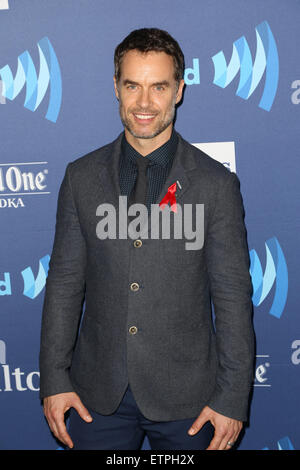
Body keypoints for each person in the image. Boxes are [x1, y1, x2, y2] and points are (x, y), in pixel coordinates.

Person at [39, 28, 255, 451]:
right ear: (115, 88)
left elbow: (231, 296)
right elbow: (64, 283)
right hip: (96, 398)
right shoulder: (81, 178)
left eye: (159, 86)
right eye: (132, 85)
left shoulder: (216, 185)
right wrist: (54, 378)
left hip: (190, 402)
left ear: (179, 90)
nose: (144, 103)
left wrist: (232, 398)